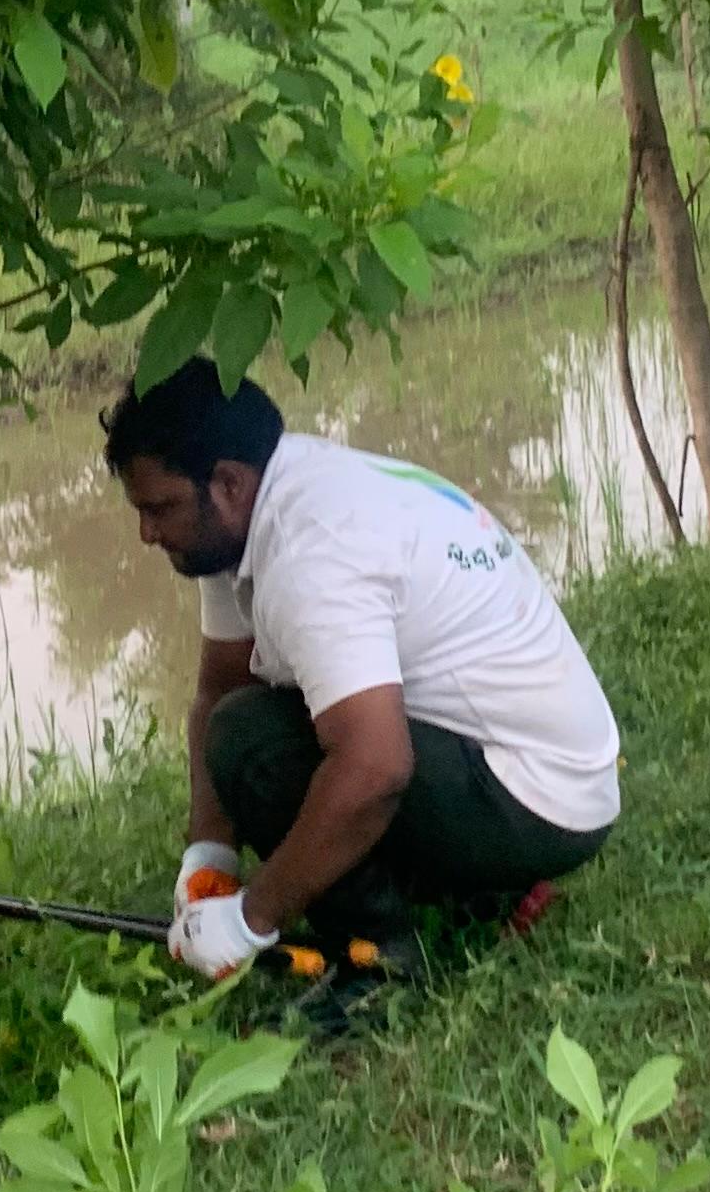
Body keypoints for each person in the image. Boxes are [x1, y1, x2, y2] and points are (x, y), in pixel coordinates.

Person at [102, 358, 618, 1012]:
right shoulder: (263, 502)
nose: (146, 533)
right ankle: (477, 889)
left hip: (541, 802)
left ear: (227, 483)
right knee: (250, 714)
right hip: (534, 763)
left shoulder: (312, 551)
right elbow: (218, 688)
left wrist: (251, 918)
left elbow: (376, 768)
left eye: (160, 508)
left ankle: (381, 959)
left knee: (251, 742)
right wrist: (209, 856)